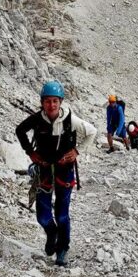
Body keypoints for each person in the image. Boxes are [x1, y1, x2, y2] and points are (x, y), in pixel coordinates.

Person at [15, 80, 96, 266]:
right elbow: (20, 130)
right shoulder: (37, 119)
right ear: (42, 102)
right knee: (43, 215)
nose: (51, 105)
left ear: (60, 102)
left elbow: (92, 132)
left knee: (61, 214)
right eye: (47, 101)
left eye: (55, 101)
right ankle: (52, 234)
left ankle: (62, 248)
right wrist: (30, 152)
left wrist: (76, 151)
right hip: (44, 171)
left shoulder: (70, 120)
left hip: (64, 172)